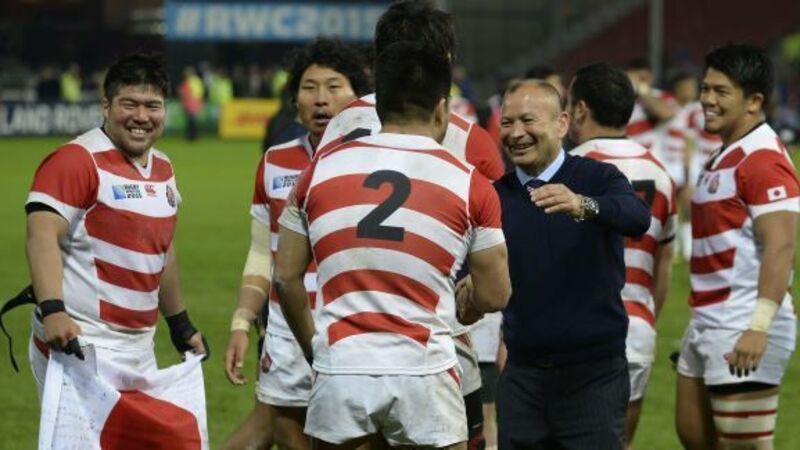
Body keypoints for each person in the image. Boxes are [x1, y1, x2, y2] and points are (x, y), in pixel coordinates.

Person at [275, 41, 511, 449]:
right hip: (426, 371)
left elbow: (285, 277)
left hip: (341, 370)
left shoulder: (317, 172)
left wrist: (317, 351)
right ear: (442, 109)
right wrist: (469, 296)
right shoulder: (468, 182)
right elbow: (496, 294)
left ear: (377, 105)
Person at [25, 52, 207, 398]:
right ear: (106, 107)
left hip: (139, 348)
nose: (141, 116)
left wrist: (180, 324)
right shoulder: (76, 160)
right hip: (80, 341)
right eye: (129, 104)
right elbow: (42, 233)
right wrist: (53, 311)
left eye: (152, 106)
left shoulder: (164, 167)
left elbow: (162, 250)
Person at [222, 38, 370, 450]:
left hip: (355, 327)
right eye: (309, 88)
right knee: (287, 431)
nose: (321, 99)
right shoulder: (275, 161)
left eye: (334, 86)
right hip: (287, 330)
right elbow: (261, 253)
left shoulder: (377, 160)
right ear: (294, 100)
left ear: (359, 98)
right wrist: (242, 322)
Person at [494, 79, 651, 449]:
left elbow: (637, 216)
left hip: (593, 375)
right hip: (522, 375)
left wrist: (584, 205)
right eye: (507, 122)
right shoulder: (495, 195)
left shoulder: (597, 177)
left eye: (528, 120)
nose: (516, 133)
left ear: (562, 123)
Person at [675, 43, 799, 450]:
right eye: (705, 88)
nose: (707, 100)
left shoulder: (762, 160)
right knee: (694, 437)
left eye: (721, 91)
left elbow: (781, 245)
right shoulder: (726, 154)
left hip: (743, 322)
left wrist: (759, 326)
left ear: (754, 101)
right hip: (708, 320)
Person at [568, 63, 678, 449]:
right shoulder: (660, 172)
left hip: (576, 331)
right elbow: (664, 264)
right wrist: (648, 318)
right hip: (637, 327)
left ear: (580, 109)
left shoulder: (568, 169)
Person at [670, 70, 723, 260]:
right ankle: (685, 249)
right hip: (699, 160)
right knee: (688, 202)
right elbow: (689, 139)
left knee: (715, 204)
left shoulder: (720, 106)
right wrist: (688, 166)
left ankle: (708, 245)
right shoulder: (692, 110)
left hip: (720, 159)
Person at [625, 57, 682, 185]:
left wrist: (641, 89)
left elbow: (665, 113)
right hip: (628, 165)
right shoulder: (622, 99)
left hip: (657, 166)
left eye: (643, 78)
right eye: (634, 78)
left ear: (651, 78)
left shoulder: (661, 96)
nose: (638, 82)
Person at [179, 66, 204, 141]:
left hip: (191, 101)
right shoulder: (198, 80)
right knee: (193, 120)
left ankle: (191, 136)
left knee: (191, 120)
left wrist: (185, 101)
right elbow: (201, 92)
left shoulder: (188, 81)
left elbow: (184, 92)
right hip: (196, 101)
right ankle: (193, 135)